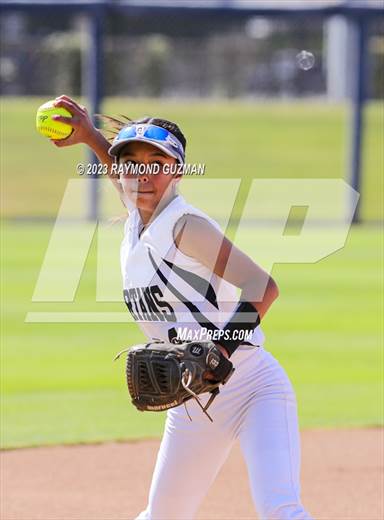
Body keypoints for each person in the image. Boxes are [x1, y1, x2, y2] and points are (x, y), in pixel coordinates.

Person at [52, 95, 312, 520]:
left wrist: (219, 353)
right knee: (161, 516)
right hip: (191, 400)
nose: (143, 174)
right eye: (133, 163)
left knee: (281, 509)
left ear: (177, 170)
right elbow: (127, 183)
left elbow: (263, 286)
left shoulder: (186, 225)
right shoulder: (139, 219)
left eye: (157, 162)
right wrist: (91, 137)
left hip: (252, 386)